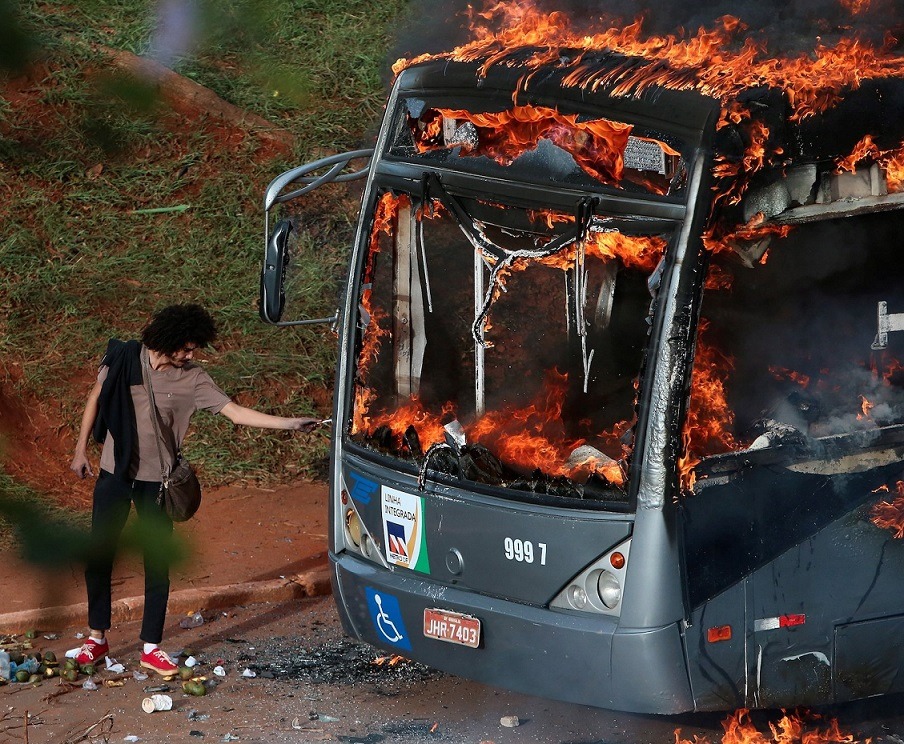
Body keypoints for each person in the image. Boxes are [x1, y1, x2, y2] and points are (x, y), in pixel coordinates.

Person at [69, 304, 319, 675]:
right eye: (186, 348)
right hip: (114, 475)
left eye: (194, 349)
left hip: (158, 483)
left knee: (157, 565)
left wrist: (291, 423)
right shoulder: (124, 358)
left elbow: (235, 412)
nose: (191, 355)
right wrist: (79, 450)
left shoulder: (194, 379)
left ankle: (151, 647)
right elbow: (95, 398)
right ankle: (97, 638)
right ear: (167, 341)